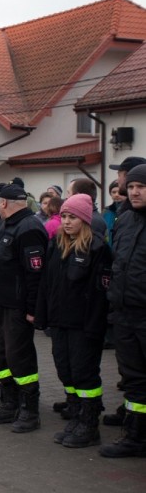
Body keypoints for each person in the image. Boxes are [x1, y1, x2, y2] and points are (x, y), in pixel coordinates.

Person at [33, 193, 112, 448]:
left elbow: (100, 296)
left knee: (84, 374)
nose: (66, 222)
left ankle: (89, 424)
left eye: (73, 217)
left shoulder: (98, 250)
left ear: (85, 220)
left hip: (83, 326)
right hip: (60, 323)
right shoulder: (56, 245)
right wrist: (42, 316)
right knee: (65, 370)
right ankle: (76, 416)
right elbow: (46, 284)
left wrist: (94, 328)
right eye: (64, 216)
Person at [0, 183, 47, 433]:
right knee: (0, 354)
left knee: (20, 358)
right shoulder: (3, 224)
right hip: (0, 304)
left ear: (3, 203)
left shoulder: (29, 227)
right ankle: (9, 402)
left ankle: (29, 410)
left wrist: (32, 309)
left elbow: (35, 275)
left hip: (18, 308)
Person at [100, 163, 146, 457]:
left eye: (140, 187)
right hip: (125, 313)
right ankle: (136, 435)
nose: (134, 191)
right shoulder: (125, 219)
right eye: (130, 187)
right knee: (133, 377)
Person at [102, 180, 123, 245]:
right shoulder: (106, 211)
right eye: (114, 192)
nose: (116, 195)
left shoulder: (130, 212)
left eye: (119, 192)